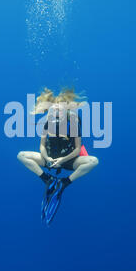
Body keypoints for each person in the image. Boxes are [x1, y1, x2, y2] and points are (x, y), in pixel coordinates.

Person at [17, 88, 99, 224]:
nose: (56, 113)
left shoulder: (72, 123)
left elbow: (77, 149)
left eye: (59, 110)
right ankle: (48, 180)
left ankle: (63, 183)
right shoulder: (47, 122)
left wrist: (63, 160)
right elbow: (42, 146)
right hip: (49, 159)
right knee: (21, 155)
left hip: (67, 160)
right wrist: (47, 159)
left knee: (93, 161)